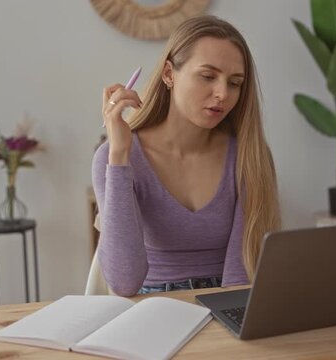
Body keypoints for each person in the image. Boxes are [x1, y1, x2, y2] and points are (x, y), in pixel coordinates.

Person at [92, 15, 280, 296]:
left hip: (225, 299)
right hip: (151, 305)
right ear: (169, 74)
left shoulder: (248, 155)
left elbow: (242, 271)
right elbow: (124, 281)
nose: (222, 94)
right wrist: (119, 156)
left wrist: (229, 327)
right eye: (208, 76)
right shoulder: (115, 157)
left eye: (235, 83)